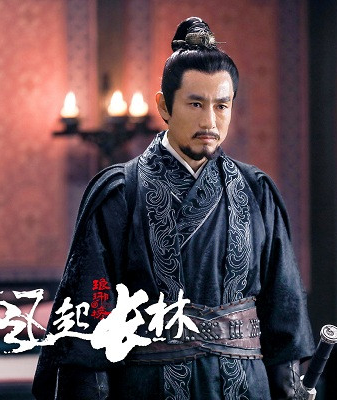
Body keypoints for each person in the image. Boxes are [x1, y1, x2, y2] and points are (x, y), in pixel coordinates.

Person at [33, 16, 314, 400]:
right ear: (164, 106)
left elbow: (284, 307)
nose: (210, 121)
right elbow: (91, 312)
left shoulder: (256, 191)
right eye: (195, 104)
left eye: (222, 106)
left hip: (245, 385)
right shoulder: (120, 193)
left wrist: (290, 387)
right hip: (147, 384)